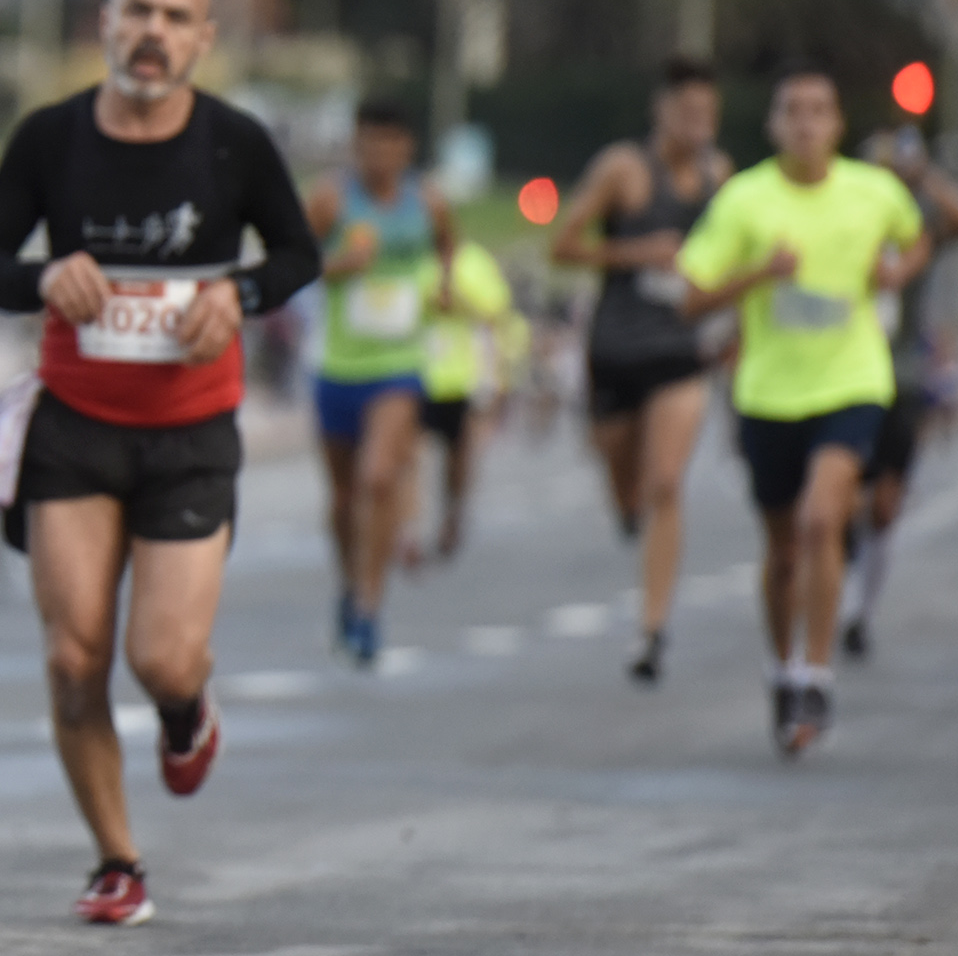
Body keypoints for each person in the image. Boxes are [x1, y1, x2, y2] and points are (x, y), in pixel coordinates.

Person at [0, 0, 320, 926]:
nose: (154, 31)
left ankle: (183, 708)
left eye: (177, 16)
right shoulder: (51, 137)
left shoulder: (235, 144)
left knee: (161, 656)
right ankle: (117, 857)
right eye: (138, 12)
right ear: (107, 22)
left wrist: (234, 293)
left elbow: (296, 255)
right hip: (74, 429)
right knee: (75, 656)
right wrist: (42, 276)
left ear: (205, 38)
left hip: (190, 432)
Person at [676, 69, 928, 755]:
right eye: (792, 111)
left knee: (825, 520)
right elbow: (691, 298)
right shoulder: (744, 199)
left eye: (819, 111)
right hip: (767, 393)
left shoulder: (873, 193)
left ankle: (816, 672)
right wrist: (760, 274)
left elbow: (918, 234)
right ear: (773, 125)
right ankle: (781, 663)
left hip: (853, 381)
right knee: (783, 547)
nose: (806, 124)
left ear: (839, 124)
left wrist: (898, 271)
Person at [547, 58, 730, 684]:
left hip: (682, 351)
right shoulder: (623, 170)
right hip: (616, 350)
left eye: (707, 113)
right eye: (686, 112)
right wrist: (636, 252)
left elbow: (737, 258)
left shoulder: (720, 177)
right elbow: (562, 245)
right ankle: (626, 510)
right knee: (626, 481)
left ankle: (653, 629)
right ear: (662, 111)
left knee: (666, 484)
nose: (697, 123)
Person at [306, 100, 453, 664]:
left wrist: (442, 285)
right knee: (344, 499)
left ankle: (369, 606)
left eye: (390, 144)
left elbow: (449, 247)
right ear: (355, 144)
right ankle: (349, 583)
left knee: (378, 481)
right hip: (337, 366)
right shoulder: (331, 198)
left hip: (398, 365)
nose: (379, 156)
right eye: (369, 144)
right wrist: (338, 265)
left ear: (407, 148)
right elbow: (289, 260)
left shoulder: (428, 201)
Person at [838, 128, 958, 658]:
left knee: (884, 504)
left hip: (902, 377)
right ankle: (842, 591)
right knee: (842, 490)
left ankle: (860, 610)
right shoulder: (839, 221)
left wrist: (926, 176)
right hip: (843, 373)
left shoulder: (916, 228)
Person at [416, 237, 522, 562]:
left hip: (463, 377)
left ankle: (453, 513)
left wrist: (499, 379)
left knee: (458, 454)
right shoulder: (410, 256)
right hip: (415, 373)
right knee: (408, 455)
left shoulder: (473, 262)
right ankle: (410, 527)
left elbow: (494, 316)